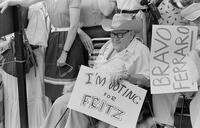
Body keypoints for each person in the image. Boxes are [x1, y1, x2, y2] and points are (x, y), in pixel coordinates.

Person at [0, 0, 88, 127]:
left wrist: (65, 52)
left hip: (66, 42)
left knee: (67, 88)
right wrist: (10, 1)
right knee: (53, 89)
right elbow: (28, 1)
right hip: (53, 42)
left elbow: (73, 26)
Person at [64, 13, 150, 128]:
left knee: (77, 106)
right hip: (95, 93)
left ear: (131, 34)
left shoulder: (141, 50)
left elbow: (149, 81)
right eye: (112, 33)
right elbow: (94, 73)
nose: (114, 38)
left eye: (119, 34)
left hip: (116, 102)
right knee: (60, 102)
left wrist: (128, 77)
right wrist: (79, 84)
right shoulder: (108, 45)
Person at [40, 0, 112, 127]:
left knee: (94, 79)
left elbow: (107, 10)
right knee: (71, 84)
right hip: (78, 35)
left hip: (99, 35)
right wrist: (80, 32)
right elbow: (71, 22)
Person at [0, 2, 52, 128]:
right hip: (12, 63)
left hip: (27, 62)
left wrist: (8, 43)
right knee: (16, 97)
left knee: (30, 96)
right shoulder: (30, 9)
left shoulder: (34, 8)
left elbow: (36, 41)